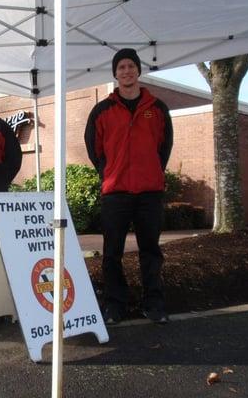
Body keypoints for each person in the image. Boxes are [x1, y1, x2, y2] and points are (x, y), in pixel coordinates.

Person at [84, 48, 173, 325]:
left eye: (131, 66)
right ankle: (114, 304)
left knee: (151, 250)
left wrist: (152, 171)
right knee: (112, 253)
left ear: (138, 71)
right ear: (115, 73)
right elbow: (93, 148)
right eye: (121, 67)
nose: (126, 71)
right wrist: (109, 172)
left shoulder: (157, 108)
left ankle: (154, 303)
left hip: (149, 192)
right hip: (116, 192)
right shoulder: (102, 110)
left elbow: (164, 147)